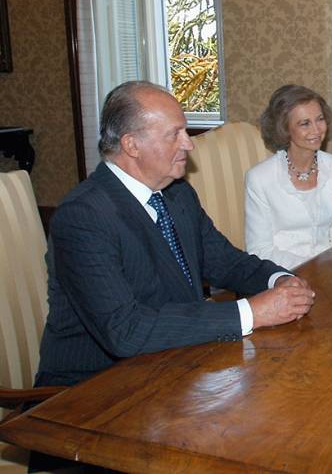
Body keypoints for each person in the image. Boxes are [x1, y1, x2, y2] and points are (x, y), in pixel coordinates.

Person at [36, 81, 315, 388]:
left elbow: (225, 262)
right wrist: (251, 312)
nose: (189, 143)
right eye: (175, 134)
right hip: (91, 392)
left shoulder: (175, 192)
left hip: (175, 365)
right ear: (131, 145)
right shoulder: (82, 218)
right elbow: (125, 331)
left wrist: (279, 280)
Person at [244, 85, 332, 270]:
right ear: (284, 129)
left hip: (330, 271)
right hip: (281, 275)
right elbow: (259, 251)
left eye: (320, 119)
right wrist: (313, 268)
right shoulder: (260, 179)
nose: (317, 130)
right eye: (305, 123)